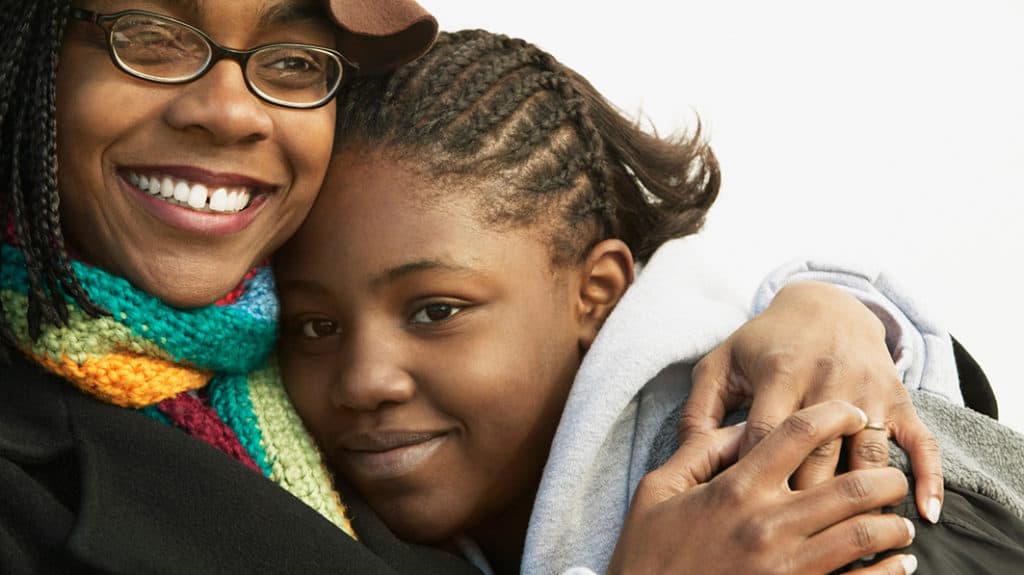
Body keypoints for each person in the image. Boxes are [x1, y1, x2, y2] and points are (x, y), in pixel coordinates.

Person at [0, 2, 966, 574]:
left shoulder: (783, 467)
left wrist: (831, 305)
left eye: (293, 61)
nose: (228, 109)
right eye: (150, 34)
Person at [275, 29, 1024, 575]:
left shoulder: (805, 497)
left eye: (436, 309)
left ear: (595, 292)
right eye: (316, 325)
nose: (363, 379)